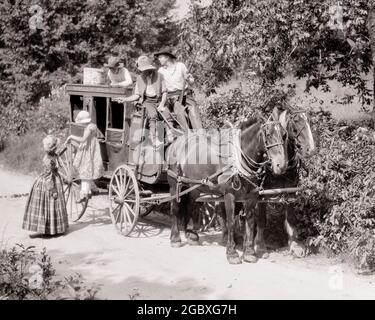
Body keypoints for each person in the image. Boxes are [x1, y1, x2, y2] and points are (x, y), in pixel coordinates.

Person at [121, 55, 174, 147]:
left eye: (146, 70)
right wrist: (124, 99)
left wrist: (161, 105)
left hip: (159, 100)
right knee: (152, 115)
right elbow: (137, 95)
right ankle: (154, 139)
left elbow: (165, 92)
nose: (144, 72)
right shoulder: (139, 78)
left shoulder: (159, 76)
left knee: (167, 114)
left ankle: (170, 134)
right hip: (147, 101)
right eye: (142, 70)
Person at [23, 135, 68, 238]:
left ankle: (54, 228)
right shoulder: (48, 159)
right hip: (49, 182)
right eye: (55, 147)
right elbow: (48, 177)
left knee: (52, 205)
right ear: (53, 148)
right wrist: (53, 190)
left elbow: (59, 153)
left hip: (54, 178)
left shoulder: (53, 155)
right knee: (48, 204)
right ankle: (47, 229)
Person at [154, 48, 203, 130]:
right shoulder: (161, 71)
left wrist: (188, 78)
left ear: (167, 57)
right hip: (170, 97)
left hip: (185, 95)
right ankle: (187, 134)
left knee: (193, 111)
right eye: (158, 58)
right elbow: (159, 87)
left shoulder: (180, 66)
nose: (159, 59)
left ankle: (200, 133)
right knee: (179, 111)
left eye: (161, 57)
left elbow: (191, 81)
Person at [65, 111, 104, 202]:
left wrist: (71, 136)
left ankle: (84, 194)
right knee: (89, 169)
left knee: (85, 170)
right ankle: (91, 189)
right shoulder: (93, 126)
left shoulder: (88, 128)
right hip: (93, 148)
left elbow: (83, 140)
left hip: (88, 149)